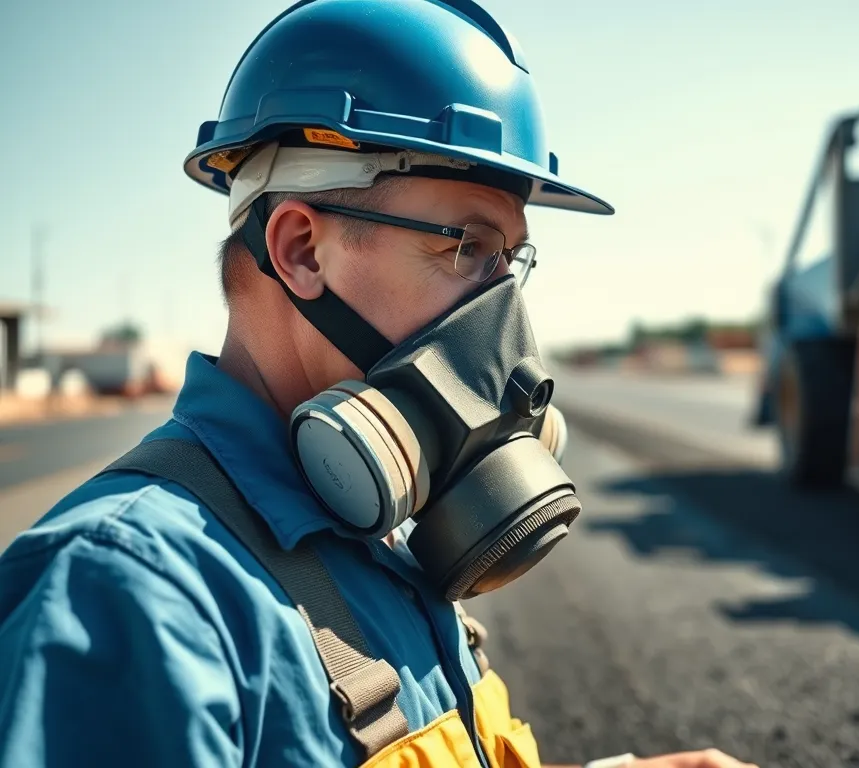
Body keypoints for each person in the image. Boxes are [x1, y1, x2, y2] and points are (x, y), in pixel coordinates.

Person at [0, 2, 757, 767]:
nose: (511, 331)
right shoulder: (126, 594)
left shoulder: (375, 529)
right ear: (301, 251)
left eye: (510, 262)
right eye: (469, 247)